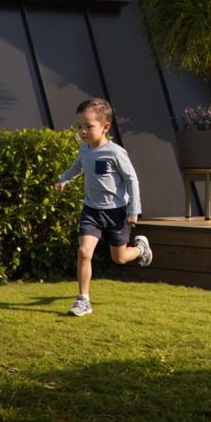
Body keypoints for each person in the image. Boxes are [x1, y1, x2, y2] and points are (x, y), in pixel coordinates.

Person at [55, 97, 152, 317]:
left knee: (119, 258)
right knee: (83, 251)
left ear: (105, 127)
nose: (83, 131)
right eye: (79, 126)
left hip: (116, 212)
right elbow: (76, 168)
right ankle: (83, 301)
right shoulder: (84, 150)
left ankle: (140, 248)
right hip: (91, 211)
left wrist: (133, 209)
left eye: (89, 126)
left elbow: (131, 179)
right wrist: (64, 179)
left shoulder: (116, 152)